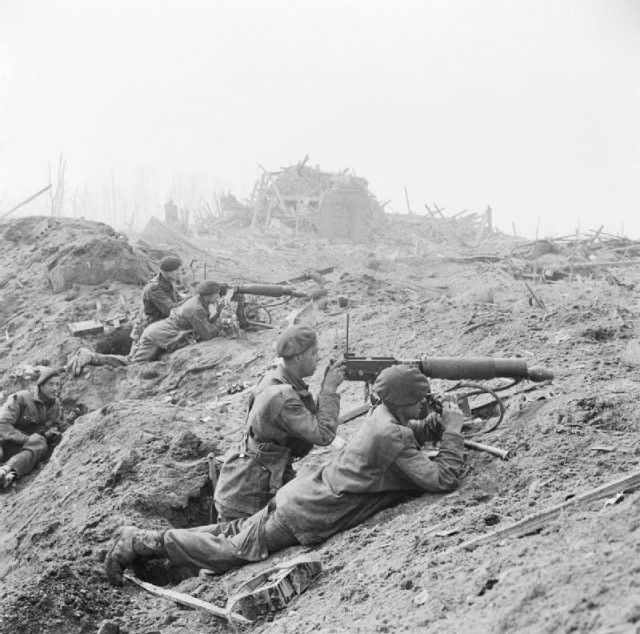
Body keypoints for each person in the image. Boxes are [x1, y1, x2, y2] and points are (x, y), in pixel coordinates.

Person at [105, 364, 466, 586]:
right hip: (306, 512)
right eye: (420, 400)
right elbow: (441, 480)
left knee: (230, 532)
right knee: (232, 549)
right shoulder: (393, 432)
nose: (423, 405)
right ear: (402, 401)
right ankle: (140, 544)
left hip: (303, 495)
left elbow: (398, 444)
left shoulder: (382, 418)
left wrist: (432, 425)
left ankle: (146, 539)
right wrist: (450, 432)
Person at [214, 325, 346, 523]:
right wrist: (329, 389)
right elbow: (323, 434)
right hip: (248, 496)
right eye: (314, 353)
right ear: (299, 357)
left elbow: (306, 418)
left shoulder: (275, 379)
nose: (318, 357)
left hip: (251, 480)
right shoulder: (281, 396)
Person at [66, 280, 225, 374]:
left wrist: (217, 313)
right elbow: (208, 334)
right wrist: (220, 319)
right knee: (132, 364)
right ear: (207, 295)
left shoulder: (199, 303)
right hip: (157, 335)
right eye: (216, 294)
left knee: (134, 360)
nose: (218, 296)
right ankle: (92, 357)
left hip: (160, 332)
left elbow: (205, 325)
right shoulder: (196, 309)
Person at [0, 369, 63, 489]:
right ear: (41, 385)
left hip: (25, 449)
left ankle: (7, 473)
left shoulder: (56, 406)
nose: (55, 388)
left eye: (58, 384)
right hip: (5, 442)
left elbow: (53, 426)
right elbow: (3, 426)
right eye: (51, 384)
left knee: (41, 445)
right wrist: (26, 439)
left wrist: (50, 434)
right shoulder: (21, 398)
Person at [129, 255, 186, 342]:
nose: (179, 272)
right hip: (148, 331)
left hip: (159, 326)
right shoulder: (154, 288)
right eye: (176, 270)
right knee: (140, 355)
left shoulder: (168, 283)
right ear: (167, 272)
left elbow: (179, 300)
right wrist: (190, 298)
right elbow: (170, 309)